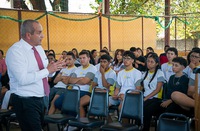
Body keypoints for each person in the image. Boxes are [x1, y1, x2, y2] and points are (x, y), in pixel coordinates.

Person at [6, 20, 64, 131]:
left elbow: (44, 72)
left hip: (40, 98)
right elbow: (22, 79)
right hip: (25, 100)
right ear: (28, 35)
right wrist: (47, 70)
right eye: (39, 32)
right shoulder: (16, 51)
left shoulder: (39, 49)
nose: (42, 36)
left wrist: (54, 68)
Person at [171, 49, 200, 114]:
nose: (193, 58)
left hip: (197, 94)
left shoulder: (195, 68)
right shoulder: (187, 68)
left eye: (196, 57)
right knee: (175, 95)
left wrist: (193, 68)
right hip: (190, 94)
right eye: (192, 56)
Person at [141, 53, 165, 131]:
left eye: (152, 62)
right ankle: (138, 126)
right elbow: (141, 87)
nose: (149, 63)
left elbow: (157, 90)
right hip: (145, 97)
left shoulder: (160, 73)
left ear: (157, 64)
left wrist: (146, 98)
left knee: (147, 109)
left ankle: (145, 128)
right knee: (138, 106)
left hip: (156, 98)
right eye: (148, 61)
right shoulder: (144, 73)